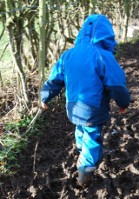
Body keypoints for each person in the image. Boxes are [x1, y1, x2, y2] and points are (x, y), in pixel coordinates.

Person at [40, 14, 130, 187]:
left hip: (72, 107)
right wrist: (122, 103)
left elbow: (54, 79)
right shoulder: (103, 56)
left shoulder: (68, 55)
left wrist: (45, 97)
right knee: (92, 136)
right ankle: (85, 172)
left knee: (80, 127)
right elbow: (116, 84)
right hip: (93, 108)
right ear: (107, 35)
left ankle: (81, 149)